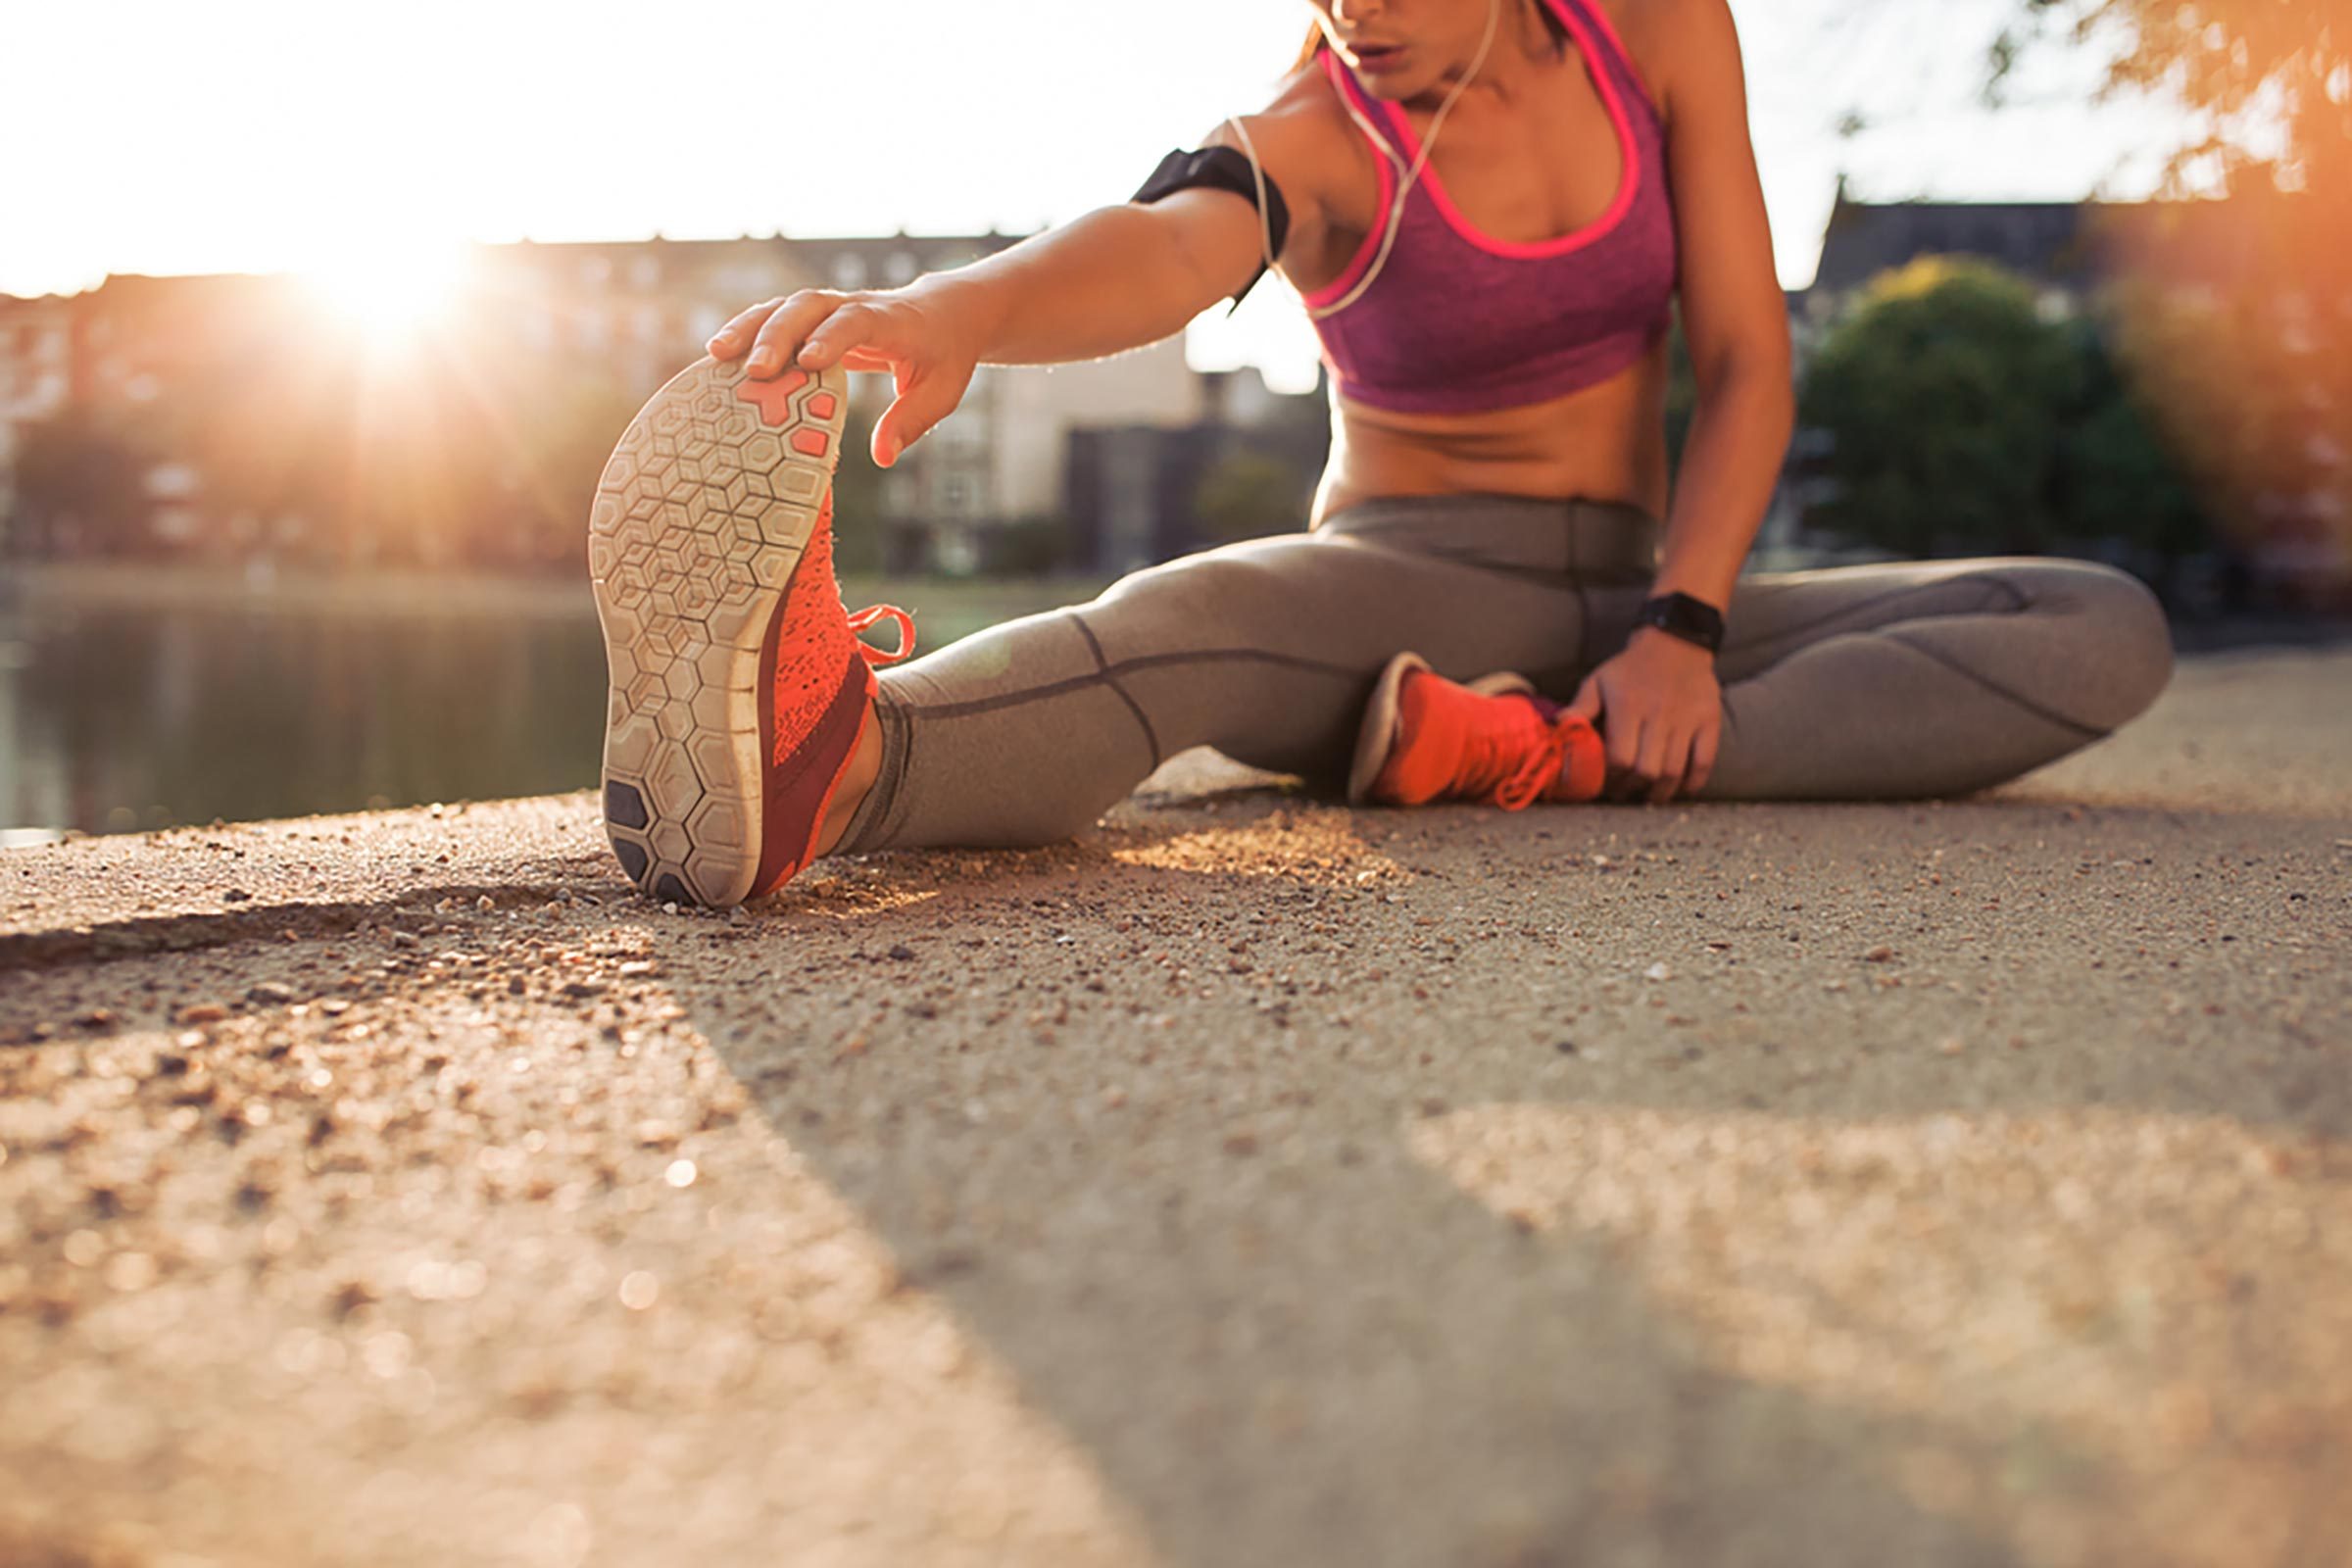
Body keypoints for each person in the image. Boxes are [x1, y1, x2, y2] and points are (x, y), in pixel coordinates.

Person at [589, 0, 2175, 909]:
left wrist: (1683, 633)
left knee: (2097, 624)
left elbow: (1752, 366)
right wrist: (959, 310)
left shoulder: (1662, 29)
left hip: (1641, 610)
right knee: (1183, 617)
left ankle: (1548, 754)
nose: (1372, 14)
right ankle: (826, 763)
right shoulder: (1314, 130)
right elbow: (1155, 246)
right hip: (1399, 602)